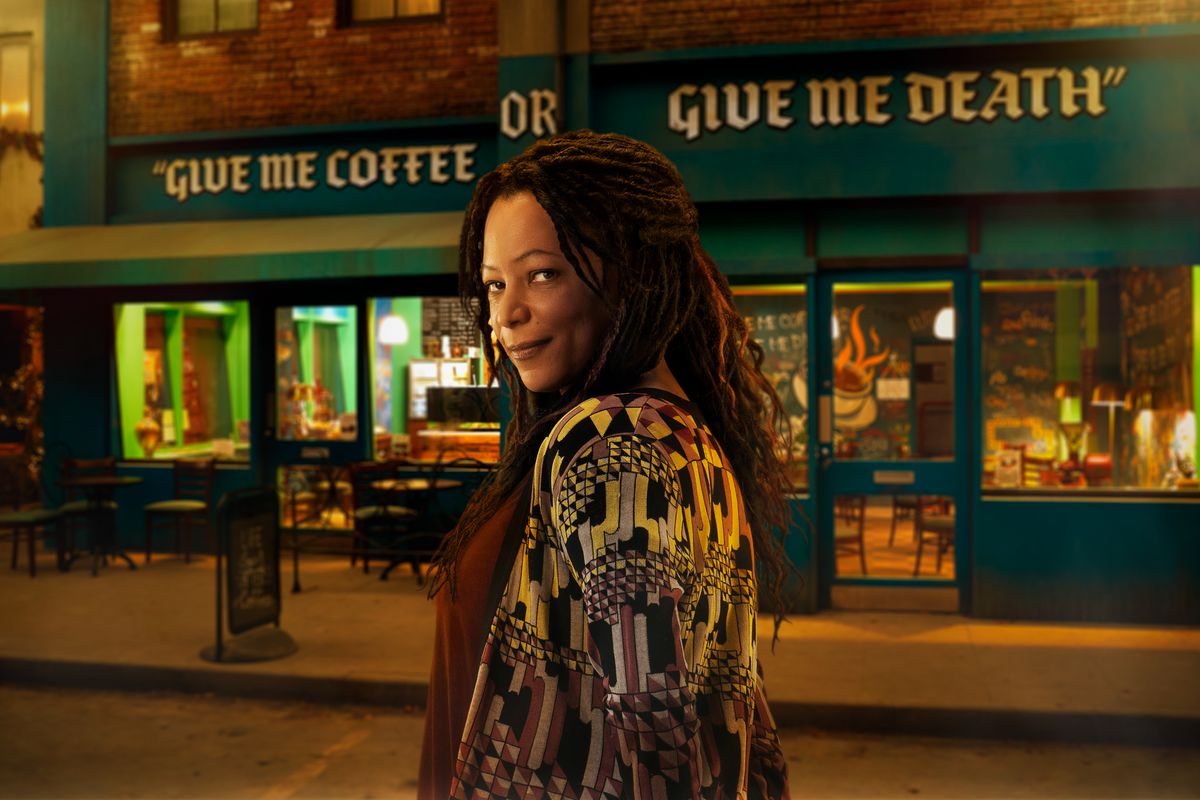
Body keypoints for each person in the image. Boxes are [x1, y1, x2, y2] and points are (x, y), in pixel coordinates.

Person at [419, 130, 794, 800]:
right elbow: (729, 704)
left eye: (543, 273)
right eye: (495, 283)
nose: (507, 314)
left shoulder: (610, 440)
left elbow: (653, 710)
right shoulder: (684, 436)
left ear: (634, 270)